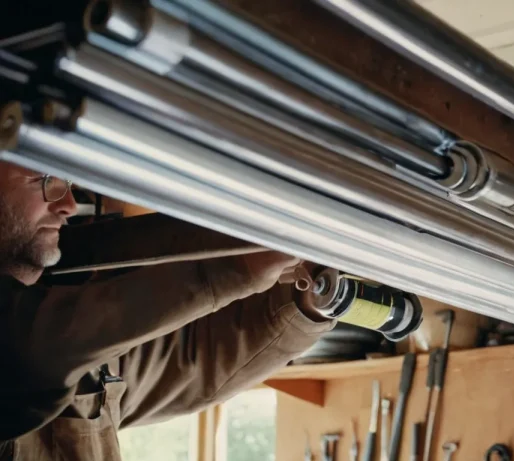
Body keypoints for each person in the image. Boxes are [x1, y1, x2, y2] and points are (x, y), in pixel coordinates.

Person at [0, 162, 333, 460]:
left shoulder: (81, 336)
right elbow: (30, 349)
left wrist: (305, 303)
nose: (68, 204)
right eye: (42, 179)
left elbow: (195, 360)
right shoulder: (39, 340)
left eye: (66, 181)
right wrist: (234, 271)